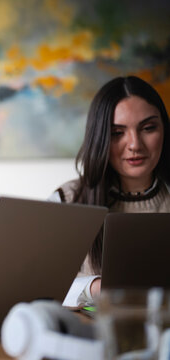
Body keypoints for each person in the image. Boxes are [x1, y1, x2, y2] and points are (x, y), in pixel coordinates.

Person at [49, 76, 170, 307]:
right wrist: (94, 287)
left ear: (164, 129)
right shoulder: (66, 201)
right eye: (117, 132)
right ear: (100, 137)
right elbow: (36, 287)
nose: (134, 144)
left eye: (148, 128)